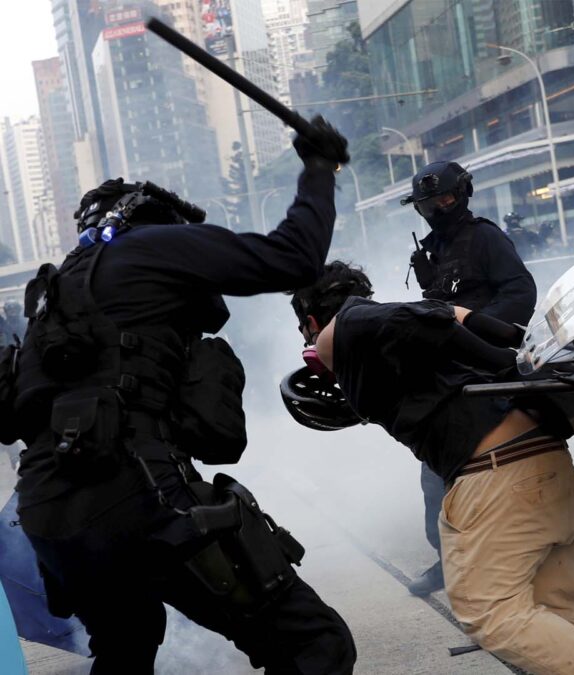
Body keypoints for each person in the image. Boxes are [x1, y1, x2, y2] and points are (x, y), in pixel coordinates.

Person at [5, 118, 356, 673]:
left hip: (48, 514)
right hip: (139, 495)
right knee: (314, 643)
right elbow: (294, 259)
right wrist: (318, 168)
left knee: (126, 646)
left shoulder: (54, 299)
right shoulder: (154, 248)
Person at [287, 262, 574, 675]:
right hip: (548, 469)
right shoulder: (389, 334)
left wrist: (502, 360)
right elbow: (453, 317)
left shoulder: (346, 326)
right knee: (551, 617)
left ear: (311, 322)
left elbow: (432, 318)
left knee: (487, 611)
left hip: (500, 479)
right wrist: (516, 344)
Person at [402, 161, 537, 596]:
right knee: (435, 475)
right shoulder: (428, 249)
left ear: (462, 193)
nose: (439, 208)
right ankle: (449, 563)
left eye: (445, 198)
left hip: (487, 372)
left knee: (496, 472)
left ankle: (515, 571)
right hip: (446, 376)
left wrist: (476, 326)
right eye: (429, 203)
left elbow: (521, 293)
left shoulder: (485, 237)